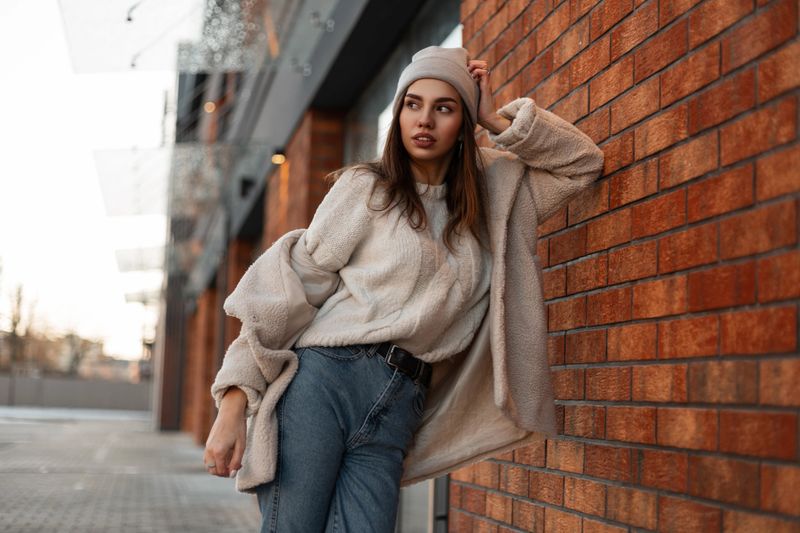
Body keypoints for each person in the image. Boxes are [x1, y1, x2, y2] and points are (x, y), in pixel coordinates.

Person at [204, 46, 605, 532]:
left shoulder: (496, 196)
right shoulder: (367, 189)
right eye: (413, 104)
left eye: (445, 107)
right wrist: (234, 402)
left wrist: (493, 117)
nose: (425, 120)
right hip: (325, 381)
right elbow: (289, 290)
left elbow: (582, 164)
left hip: (401, 400)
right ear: (398, 114)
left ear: (463, 122)